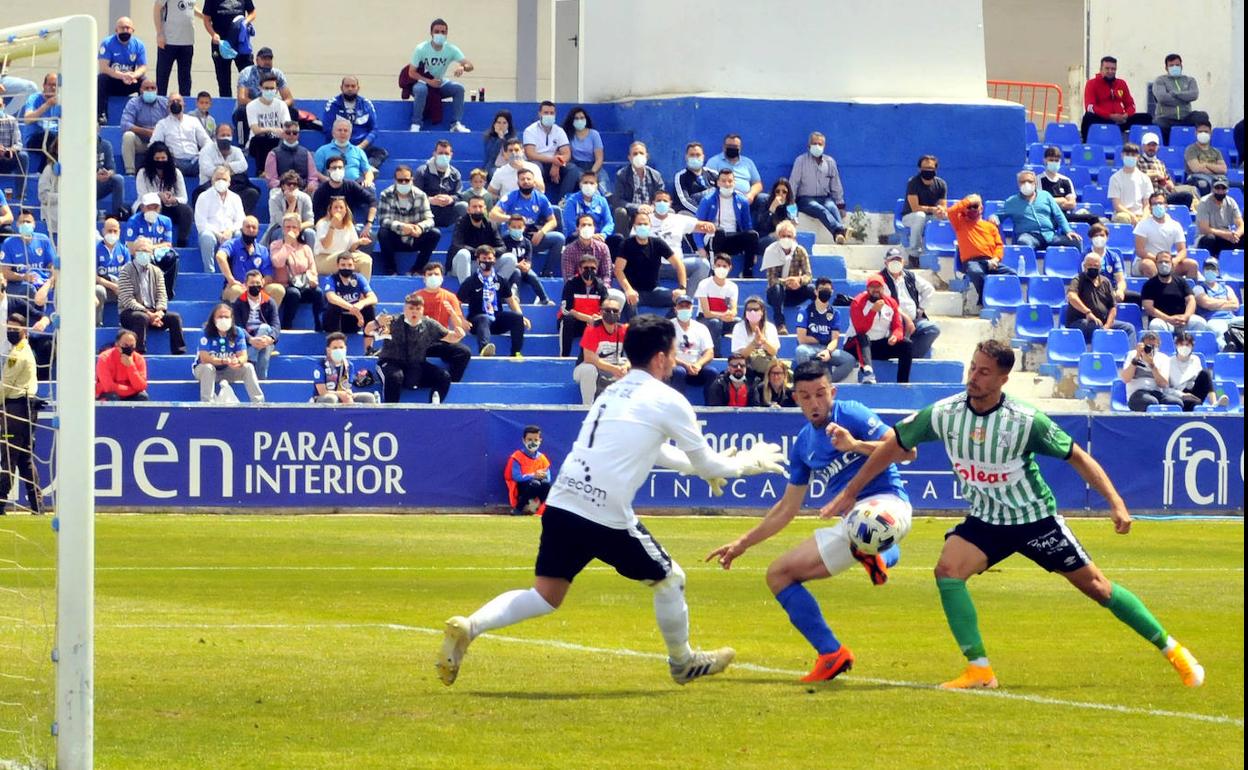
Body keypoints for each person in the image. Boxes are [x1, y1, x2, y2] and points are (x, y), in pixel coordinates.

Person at [824, 339, 1205, 691]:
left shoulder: (1026, 420)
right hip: (987, 520)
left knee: (1099, 589)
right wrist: (852, 491)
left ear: (1004, 378)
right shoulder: (943, 413)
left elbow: (1079, 457)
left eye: (984, 371)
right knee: (947, 572)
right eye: (972, 368)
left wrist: (1116, 503)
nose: (973, 377)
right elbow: (894, 445)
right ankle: (979, 670)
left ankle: (1174, 650)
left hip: (1033, 519)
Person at [436, 314, 788, 688]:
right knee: (670, 579)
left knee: (546, 594)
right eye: (672, 352)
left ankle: (471, 626)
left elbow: (656, 449)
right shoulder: (669, 400)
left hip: (563, 501)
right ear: (659, 357)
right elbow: (707, 462)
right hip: (603, 512)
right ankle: (682, 662)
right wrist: (746, 465)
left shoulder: (614, 391)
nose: (675, 360)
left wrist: (698, 468)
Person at [708, 360, 912, 679]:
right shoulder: (804, 443)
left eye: (820, 394)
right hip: (850, 524)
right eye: (805, 396)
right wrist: (742, 543)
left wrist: (855, 445)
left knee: (867, 524)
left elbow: (906, 451)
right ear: (795, 398)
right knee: (778, 575)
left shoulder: (851, 413)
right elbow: (787, 507)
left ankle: (878, 554)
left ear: (833, 391)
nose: (815, 403)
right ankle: (831, 653)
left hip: (888, 504)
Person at [378, 292, 467, 404]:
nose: (414, 311)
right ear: (404, 309)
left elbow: (450, 337)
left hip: (416, 364)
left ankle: (434, 408)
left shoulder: (429, 324)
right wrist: (377, 322)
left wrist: (458, 335)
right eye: (411, 308)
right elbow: (368, 330)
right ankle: (390, 410)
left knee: (443, 377)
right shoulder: (393, 321)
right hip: (391, 362)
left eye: (418, 308)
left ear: (422, 310)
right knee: (395, 376)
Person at [1, 314, 43, 513]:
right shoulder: (23, 350)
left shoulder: (17, 355)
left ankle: (0, 501)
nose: (10, 331)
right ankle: (37, 505)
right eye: (9, 327)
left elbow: (6, 386)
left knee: (8, 456)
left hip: (16, 409)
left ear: (24, 330)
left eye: (14, 328)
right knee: (24, 458)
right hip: (28, 407)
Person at [117, 236, 186, 355]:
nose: (143, 253)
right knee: (141, 317)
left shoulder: (157, 271)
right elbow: (128, 300)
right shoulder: (125, 270)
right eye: (140, 250)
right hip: (130, 313)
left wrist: (159, 312)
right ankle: (139, 353)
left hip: (154, 312)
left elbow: (162, 295)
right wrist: (148, 314)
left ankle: (179, 352)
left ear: (151, 253)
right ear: (134, 252)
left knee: (175, 318)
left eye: (146, 251)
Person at [490, 168, 565, 276]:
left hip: (532, 237)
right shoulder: (511, 196)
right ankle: (515, 268)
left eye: (528, 179)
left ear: (534, 182)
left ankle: (547, 272)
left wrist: (541, 232)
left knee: (559, 238)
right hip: (513, 237)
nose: (525, 181)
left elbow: (553, 221)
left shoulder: (541, 198)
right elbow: (493, 214)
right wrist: (512, 218)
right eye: (522, 179)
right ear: (518, 182)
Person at [458, 245, 529, 357]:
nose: (487, 261)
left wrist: (521, 316)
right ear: (478, 260)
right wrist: (462, 320)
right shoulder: (470, 281)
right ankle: (484, 349)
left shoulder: (501, 280)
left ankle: (516, 352)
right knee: (484, 318)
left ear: (494, 260)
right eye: (484, 259)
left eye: (490, 258)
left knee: (517, 318)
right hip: (477, 322)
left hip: (496, 320)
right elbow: (457, 302)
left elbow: (511, 300)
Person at [407, 18, 474, 133]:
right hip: (422, 82)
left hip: (439, 82)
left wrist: (462, 67)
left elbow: (470, 65)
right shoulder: (421, 49)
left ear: (447, 34)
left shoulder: (451, 49)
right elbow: (411, 72)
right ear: (431, 33)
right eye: (437, 31)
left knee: (458, 89)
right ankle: (416, 124)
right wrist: (429, 81)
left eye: (443, 32)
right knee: (420, 90)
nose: (440, 34)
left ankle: (456, 124)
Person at [845, 274, 912, 384]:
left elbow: (898, 327)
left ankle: (903, 383)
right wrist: (873, 311)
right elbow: (860, 329)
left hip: (877, 345)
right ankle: (868, 374)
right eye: (872, 287)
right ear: (867, 288)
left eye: (878, 287)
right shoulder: (857, 302)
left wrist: (895, 336)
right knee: (863, 337)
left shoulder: (891, 303)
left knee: (906, 344)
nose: (876, 290)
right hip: (856, 346)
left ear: (883, 288)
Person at [947, 194, 1012, 306]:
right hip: (971, 262)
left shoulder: (990, 227)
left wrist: (996, 259)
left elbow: (999, 246)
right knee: (976, 272)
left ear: (981, 208)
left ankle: (1003, 301)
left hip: (990, 262)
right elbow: (951, 212)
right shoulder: (960, 223)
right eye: (969, 207)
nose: (972, 209)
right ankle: (984, 298)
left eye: (975, 206)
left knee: (1011, 274)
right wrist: (968, 201)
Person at [414, 262, 473, 384]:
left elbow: (459, 326)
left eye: (436, 274)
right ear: (424, 278)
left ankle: (451, 382)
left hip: (442, 339)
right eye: (430, 274)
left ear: (442, 277)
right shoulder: (416, 297)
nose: (433, 277)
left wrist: (452, 313)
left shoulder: (450, 297)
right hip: (420, 340)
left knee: (464, 352)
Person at [694, 169, 760, 277]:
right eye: (723, 181)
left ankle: (747, 273)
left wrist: (753, 250)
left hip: (733, 238)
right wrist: (700, 247)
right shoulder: (707, 200)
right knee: (719, 231)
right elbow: (698, 225)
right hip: (714, 238)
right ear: (718, 182)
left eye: (730, 181)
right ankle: (714, 271)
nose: (727, 184)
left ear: (734, 182)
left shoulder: (742, 201)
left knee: (752, 235)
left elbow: (747, 225)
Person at [994, 169, 1080, 252]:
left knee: (1074, 241)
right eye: (1023, 182)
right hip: (1029, 235)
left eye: (1030, 181)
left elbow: (1058, 215)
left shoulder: (1046, 196)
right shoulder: (1011, 201)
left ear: (1035, 183)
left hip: (1050, 235)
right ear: (1018, 184)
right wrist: (994, 217)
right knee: (1024, 242)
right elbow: (998, 215)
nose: (1026, 184)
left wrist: (1068, 231)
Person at [376, 164, 439, 275]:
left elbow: (430, 219)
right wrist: (401, 227)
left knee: (435, 234)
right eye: (400, 180)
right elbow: (383, 219)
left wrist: (420, 227)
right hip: (395, 238)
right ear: (395, 180)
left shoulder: (421, 195)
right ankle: (391, 271)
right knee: (383, 233)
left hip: (415, 237)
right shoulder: (385, 194)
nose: (404, 183)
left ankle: (417, 269)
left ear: (412, 179)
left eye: (407, 180)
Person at [879, 247, 940, 360]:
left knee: (932, 329)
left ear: (903, 262)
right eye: (892, 260)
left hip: (914, 320)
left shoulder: (910, 276)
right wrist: (906, 319)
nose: (895, 263)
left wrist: (920, 309)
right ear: (886, 262)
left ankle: (912, 357)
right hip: (892, 321)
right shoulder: (881, 279)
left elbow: (929, 289)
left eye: (898, 260)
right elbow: (887, 303)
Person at [195, 302, 264, 403]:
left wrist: (237, 362)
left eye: (226, 317)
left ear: (232, 318)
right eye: (220, 317)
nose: (223, 319)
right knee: (208, 368)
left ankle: (259, 402)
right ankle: (207, 403)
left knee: (248, 367)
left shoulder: (238, 332)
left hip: (228, 370)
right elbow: (204, 358)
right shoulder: (206, 332)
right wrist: (223, 361)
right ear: (213, 319)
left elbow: (243, 356)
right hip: (205, 371)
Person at [1064, 252, 1137, 345]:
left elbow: (1113, 307)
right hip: (1081, 322)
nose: (1092, 267)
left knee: (1129, 328)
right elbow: (1071, 296)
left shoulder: (1106, 282)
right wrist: (1088, 312)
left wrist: (1107, 325)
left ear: (1100, 267)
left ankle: (1131, 356)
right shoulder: (1078, 279)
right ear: (1084, 266)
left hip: (1103, 322)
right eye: (1089, 265)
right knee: (1095, 325)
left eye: (1096, 265)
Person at [794, 276, 855, 383]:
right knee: (800, 351)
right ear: (816, 292)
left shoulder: (835, 313)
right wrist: (821, 339)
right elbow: (802, 339)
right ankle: (808, 382)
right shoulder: (805, 311)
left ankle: (827, 383)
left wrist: (827, 351)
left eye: (827, 290)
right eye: (821, 289)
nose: (825, 292)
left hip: (827, 348)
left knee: (849, 360)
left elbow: (835, 339)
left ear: (832, 292)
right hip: (809, 348)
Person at [269, 213, 323, 331]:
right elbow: (277, 263)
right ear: (283, 229)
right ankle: (286, 326)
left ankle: (319, 324)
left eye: (294, 227)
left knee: (318, 292)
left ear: (299, 229)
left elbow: (312, 268)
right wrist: (287, 244)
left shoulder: (305, 248)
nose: (291, 230)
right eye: (288, 227)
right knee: (294, 293)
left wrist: (312, 279)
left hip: (303, 284)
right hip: (286, 286)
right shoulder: (275, 245)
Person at [1080, 55, 1153, 141]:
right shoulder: (1091, 83)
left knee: (1146, 117)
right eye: (1107, 68)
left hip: (1121, 120)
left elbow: (1130, 104)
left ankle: (1145, 145)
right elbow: (1090, 107)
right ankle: (1085, 143)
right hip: (1103, 119)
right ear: (1101, 69)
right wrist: (1110, 116)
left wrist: (1126, 115)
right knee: (1088, 117)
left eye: (1113, 69)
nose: (1110, 71)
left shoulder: (1121, 83)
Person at [790, 132, 847, 242]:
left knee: (831, 207)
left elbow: (835, 184)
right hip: (805, 200)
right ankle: (840, 230)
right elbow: (793, 183)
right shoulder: (800, 161)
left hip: (825, 198)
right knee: (820, 209)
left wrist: (840, 205)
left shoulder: (830, 162)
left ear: (824, 146)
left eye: (820, 144)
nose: (817, 146)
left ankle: (839, 237)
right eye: (814, 143)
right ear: (809, 146)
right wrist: (791, 206)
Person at [216, 216, 284, 306]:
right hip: (236, 286)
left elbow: (269, 276)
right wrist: (231, 280)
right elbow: (220, 256)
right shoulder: (232, 244)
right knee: (237, 291)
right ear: (241, 229)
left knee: (278, 289)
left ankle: (267, 318)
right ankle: (240, 319)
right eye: (248, 227)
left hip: (257, 287)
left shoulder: (262, 250)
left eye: (254, 227)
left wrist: (256, 285)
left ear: (257, 231)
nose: (251, 230)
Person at [322, 76, 386, 172]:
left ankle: (365, 170)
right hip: (338, 146)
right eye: (347, 86)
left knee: (381, 153)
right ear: (341, 88)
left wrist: (361, 146)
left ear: (358, 88)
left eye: (353, 86)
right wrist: (344, 145)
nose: (350, 89)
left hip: (360, 146)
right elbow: (328, 129)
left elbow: (374, 129)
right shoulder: (333, 104)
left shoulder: (366, 104)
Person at [136, 141, 194, 247]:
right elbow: (142, 195)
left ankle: (182, 241)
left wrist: (173, 199)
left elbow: (183, 198)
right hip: (150, 206)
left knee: (187, 211)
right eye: (157, 159)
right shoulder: (142, 173)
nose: (160, 161)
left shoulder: (176, 173)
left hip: (170, 206)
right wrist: (158, 195)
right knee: (143, 210)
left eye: (163, 158)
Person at [572, 295, 628, 405]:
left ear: (619, 314)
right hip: (587, 368)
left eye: (615, 310)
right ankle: (587, 406)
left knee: (636, 368)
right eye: (607, 310)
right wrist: (614, 369)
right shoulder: (592, 329)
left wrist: (624, 368)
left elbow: (635, 355)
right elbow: (589, 358)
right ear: (601, 312)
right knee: (589, 369)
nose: (611, 313)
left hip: (612, 367)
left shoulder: (623, 330)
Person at [232, 47, 294, 144]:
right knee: (241, 111)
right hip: (251, 107)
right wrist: (261, 106)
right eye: (264, 59)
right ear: (257, 60)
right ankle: (242, 144)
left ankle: (289, 142)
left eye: (269, 59)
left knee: (292, 110)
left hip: (271, 109)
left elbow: (289, 99)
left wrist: (279, 106)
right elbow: (242, 98)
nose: (267, 61)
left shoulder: (277, 74)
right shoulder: (247, 73)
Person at [761, 220, 812, 334]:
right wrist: (788, 282)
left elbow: (808, 275)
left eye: (789, 236)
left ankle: (817, 321)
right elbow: (771, 279)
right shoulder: (771, 251)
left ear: (794, 238)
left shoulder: (800, 251)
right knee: (777, 288)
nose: (786, 238)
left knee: (813, 290)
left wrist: (799, 280)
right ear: (778, 237)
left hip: (795, 292)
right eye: (783, 236)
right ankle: (780, 325)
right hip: (776, 294)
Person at [125, 193, 180, 297]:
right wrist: (145, 249)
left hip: (157, 254)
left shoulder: (166, 221)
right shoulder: (134, 221)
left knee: (173, 257)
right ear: (142, 207)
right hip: (140, 254)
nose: (152, 210)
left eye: (155, 207)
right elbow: (131, 247)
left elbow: (168, 244)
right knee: (144, 256)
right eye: (149, 207)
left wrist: (151, 248)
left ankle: (167, 292)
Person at [199, 123, 260, 213]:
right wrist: (229, 171)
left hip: (233, 188)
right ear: (216, 136)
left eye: (228, 135)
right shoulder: (206, 151)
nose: (226, 138)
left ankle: (241, 221)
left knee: (252, 193)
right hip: (211, 188)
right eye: (223, 135)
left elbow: (244, 165)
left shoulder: (237, 151)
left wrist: (226, 167)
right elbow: (207, 170)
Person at [1141, 251, 1208, 333]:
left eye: (1166, 262)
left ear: (1172, 265)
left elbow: (1191, 300)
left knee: (1199, 322)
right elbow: (1149, 308)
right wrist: (1168, 319)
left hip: (1182, 320)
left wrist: (1186, 317)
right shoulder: (1149, 285)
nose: (1163, 264)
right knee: (1155, 325)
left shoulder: (1181, 281)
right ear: (1156, 265)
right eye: (1160, 262)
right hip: (1162, 321)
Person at [97, 17, 148, 123]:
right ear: (116, 30)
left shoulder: (139, 45)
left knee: (144, 81)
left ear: (132, 30)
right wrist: (122, 76)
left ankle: (144, 115)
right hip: (113, 82)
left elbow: (143, 67)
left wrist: (133, 75)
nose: (125, 30)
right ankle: (101, 114)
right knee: (101, 78)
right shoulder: (107, 43)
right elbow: (103, 67)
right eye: (122, 28)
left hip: (129, 82)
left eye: (127, 28)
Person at [201, 0, 257, 98]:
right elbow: (206, 19)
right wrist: (213, 34)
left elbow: (252, 12)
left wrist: (245, 22)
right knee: (223, 81)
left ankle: (250, 104)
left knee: (249, 77)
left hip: (240, 42)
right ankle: (227, 106)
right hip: (221, 44)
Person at [230, 270, 280, 379]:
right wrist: (251, 340)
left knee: (265, 329)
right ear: (246, 285)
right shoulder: (239, 303)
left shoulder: (269, 302)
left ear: (262, 283)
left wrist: (271, 338)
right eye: (252, 284)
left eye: (258, 283)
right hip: (246, 340)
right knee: (264, 349)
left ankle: (249, 356)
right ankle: (262, 382)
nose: (255, 286)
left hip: (265, 338)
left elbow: (276, 324)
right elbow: (237, 326)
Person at [195, 165, 245, 271]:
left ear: (229, 182)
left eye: (224, 179)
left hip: (230, 232)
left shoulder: (235, 198)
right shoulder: (203, 197)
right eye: (218, 179)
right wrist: (218, 234)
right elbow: (201, 222)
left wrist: (230, 231)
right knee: (206, 237)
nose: (221, 181)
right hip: (211, 232)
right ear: (212, 180)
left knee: (239, 235)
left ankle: (236, 270)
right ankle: (209, 271)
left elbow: (241, 220)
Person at [900, 155, 948, 263]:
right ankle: (914, 254)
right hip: (910, 216)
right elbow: (915, 207)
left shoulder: (941, 184)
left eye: (931, 168)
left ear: (935, 169)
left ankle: (940, 250)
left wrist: (940, 210)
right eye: (925, 168)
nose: (928, 171)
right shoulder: (913, 183)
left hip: (930, 216)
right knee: (920, 216)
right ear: (920, 169)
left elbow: (943, 205)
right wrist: (933, 209)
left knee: (946, 216)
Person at [151, 93, 209, 180]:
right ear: (168, 106)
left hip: (195, 161)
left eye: (178, 101)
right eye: (172, 101)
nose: (175, 103)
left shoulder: (193, 121)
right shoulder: (162, 124)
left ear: (184, 104)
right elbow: (154, 145)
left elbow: (206, 141)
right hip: (174, 162)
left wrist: (201, 155)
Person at [560, 252, 609, 357]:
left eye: (593, 268)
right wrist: (588, 318)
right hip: (575, 322)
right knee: (568, 320)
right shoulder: (571, 284)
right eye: (586, 268)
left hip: (593, 323)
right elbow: (566, 309)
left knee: (607, 321)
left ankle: (603, 358)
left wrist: (598, 318)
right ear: (580, 269)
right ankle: (564, 356)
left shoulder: (601, 287)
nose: (590, 271)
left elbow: (606, 307)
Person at [1151, 54, 1208, 144]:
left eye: (1177, 65)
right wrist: (1184, 99)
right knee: (1158, 123)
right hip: (1167, 119)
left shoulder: (1190, 80)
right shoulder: (1160, 80)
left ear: (1181, 66)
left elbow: (1194, 95)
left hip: (1185, 118)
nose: (1175, 67)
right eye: (1171, 65)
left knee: (1202, 116)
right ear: (1166, 68)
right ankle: (1166, 147)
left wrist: (1175, 93)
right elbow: (1162, 98)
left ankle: (1200, 145)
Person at [1038, 146, 1100, 226]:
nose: (1054, 162)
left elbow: (1072, 204)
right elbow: (1042, 202)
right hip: (1047, 216)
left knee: (1093, 218)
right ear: (1045, 160)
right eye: (1051, 160)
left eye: (1056, 160)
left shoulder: (1066, 180)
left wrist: (1054, 202)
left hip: (1064, 216)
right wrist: (1062, 199)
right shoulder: (1038, 180)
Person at [705, 134, 765, 217]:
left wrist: (751, 195)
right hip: (723, 199)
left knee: (765, 199)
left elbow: (758, 184)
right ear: (723, 147)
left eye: (735, 146)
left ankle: (760, 229)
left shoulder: (748, 162)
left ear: (740, 148)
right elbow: (708, 184)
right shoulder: (714, 162)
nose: (732, 148)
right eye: (729, 146)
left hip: (746, 200)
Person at [0, 210, 55, 300]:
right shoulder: (9, 243)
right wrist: (24, 277)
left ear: (34, 225)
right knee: (30, 290)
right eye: (22, 222)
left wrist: (49, 281)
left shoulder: (43, 240)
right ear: (17, 225)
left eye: (28, 222)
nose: (25, 224)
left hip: (42, 281)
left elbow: (52, 265)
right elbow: (4, 272)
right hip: (19, 284)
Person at [1133, 192, 1190, 278]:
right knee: (1148, 265)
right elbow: (1140, 250)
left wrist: (1175, 260)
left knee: (1191, 265)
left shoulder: (1175, 225)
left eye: (1160, 203)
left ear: (1166, 205)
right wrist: (1158, 260)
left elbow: (1182, 250)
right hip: (1146, 261)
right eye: (1154, 204)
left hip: (1168, 261)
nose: (1158, 206)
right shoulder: (1142, 225)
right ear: (1150, 207)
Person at [312, 155, 378, 229]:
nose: (337, 170)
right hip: (327, 226)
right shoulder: (321, 190)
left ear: (344, 169)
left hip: (349, 225)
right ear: (328, 171)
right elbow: (316, 216)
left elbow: (373, 201)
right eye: (334, 168)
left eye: (340, 167)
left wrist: (369, 223)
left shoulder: (351, 185)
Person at [1121, 330, 1182, 411]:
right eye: (1148, 346)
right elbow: (1125, 379)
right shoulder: (1132, 354)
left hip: (1156, 393)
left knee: (1176, 403)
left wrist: (1152, 364)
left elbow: (1163, 384)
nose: (1151, 349)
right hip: (1136, 394)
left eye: (1154, 346)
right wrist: (1136, 358)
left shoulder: (1163, 358)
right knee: (1151, 402)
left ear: (1158, 346)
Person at [414, 140, 467, 231]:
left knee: (464, 206)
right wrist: (430, 200)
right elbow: (414, 195)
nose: (443, 156)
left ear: (451, 155)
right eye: (440, 153)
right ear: (434, 154)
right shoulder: (422, 171)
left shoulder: (455, 173)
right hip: (427, 211)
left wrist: (450, 199)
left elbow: (459, 196)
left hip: (447, 211)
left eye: (446, 153)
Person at [670, 295, 717, 398]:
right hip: (676, 368)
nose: (684, 309)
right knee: (679, 371)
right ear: (675, 309)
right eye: (681, 306)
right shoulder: (668, 326)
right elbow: (666, 353)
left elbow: (709, 352)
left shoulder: (701, 328)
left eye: (687, 306)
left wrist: (698, 365)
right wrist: (685, 365)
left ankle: (712, 406)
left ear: (692, 309)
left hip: (696, 368)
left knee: (712, 372)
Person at [312, 332, 379, 405]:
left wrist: (348, 394)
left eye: (341, 347)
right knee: (331, 398)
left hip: (342, 395)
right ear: (328, 350)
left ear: (345, 349)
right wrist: (340, 394)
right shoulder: (321, 365)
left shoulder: (348, 366)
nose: (338, 350)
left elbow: (347, 387)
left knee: (368, 397)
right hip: (323, 398)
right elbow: (322, 392)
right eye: (335, 348)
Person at [450, 196, 506, 282]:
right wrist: (479, 252)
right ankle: (466, 290)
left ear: (485, 209)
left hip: (485, 263)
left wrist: (488, 253)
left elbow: (502, 247)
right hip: (464, 264)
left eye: (480, 207)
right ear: (468, 210)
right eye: (474, 207)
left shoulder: (490, 225)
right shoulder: (461, 223)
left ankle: (493, 285)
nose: (478, 209)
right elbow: (457, 245)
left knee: (510, 258)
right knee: (463, 253)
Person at [613, 141, 665, 233]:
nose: (638, 156)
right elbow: (618, 201)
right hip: (631, 214)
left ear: (647, 156)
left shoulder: (656, 176)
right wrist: (638, 207)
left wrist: (653, 207)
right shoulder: (621, 175)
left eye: (641, 153)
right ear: (629, 158)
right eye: (635, 154)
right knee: (620, 212)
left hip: (651, 213)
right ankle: (622, 244)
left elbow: (662, 197)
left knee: (669, 210)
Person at [1167, 330, 1227, 410]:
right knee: (1195, 404)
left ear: (1192, 346)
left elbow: (1203, 380)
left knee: (1205, 373)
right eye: (1181, 344)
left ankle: (1214, 403)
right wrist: (1182, 395)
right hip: (1178, 395)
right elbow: (1166, 388)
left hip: (1194, 392)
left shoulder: (1196, 359)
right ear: (1176, 345)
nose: (1184, 347)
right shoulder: (1169, 362)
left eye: (1187, 345)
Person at [321, 252, 377, 335]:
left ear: (353, 266)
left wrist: (361, 304)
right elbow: (331, 297)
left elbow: (373, 298)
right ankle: (336, 341)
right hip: (333, 321)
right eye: (343, 265)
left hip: (352, 320)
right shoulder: (330, 279)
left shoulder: (359, 278)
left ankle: (369, 342)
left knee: (369, 307)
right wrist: (353, 309)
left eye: (349, 265)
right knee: (334, 305)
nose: (346, 268)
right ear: (337, 266)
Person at [694, 253, 739, 356]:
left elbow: (734, 309)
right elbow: (706, 313)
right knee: (715, 322)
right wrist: (721, 316)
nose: (721, 268)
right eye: (718, 265)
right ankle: (715, 355)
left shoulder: (733, 287)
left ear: (730, 268)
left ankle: (738, 356)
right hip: (706, 320)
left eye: (724, 266)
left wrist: (730, 314)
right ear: (714, 266)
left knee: (739, 323)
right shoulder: (704, 284)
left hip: (723, 320)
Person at [1137, 133, 1198, 209]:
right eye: (1149, 145)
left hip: (1163, 196)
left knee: (1187, 196)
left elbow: (1167, 180)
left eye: (1154, 145)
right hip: (1147, 197)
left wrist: (1169, 184)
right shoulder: (1138, 161)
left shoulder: (1160, 163)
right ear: (1143, 146)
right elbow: (1137, 177)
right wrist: (1155, 175)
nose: (1151, 148)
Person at [315, 197, 371, 278]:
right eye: (335, 207)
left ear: (345, 210)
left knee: (366, 261)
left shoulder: (349, 225)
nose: (338, 210)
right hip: (323, 259)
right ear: (330, 210)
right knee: (343, 255)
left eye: (341, 207)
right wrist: (332, 226)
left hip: (343, 257)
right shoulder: (322, 224)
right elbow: (326, 245)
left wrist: (359, 242)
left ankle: (364, 289)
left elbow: (351, 249)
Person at [245, 72, 291, 171]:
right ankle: (261, 171)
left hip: (275, 140)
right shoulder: (252, 106)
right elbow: (256, 130)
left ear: (276, 89)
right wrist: (272, 129)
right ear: (260, 88)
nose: (269, 91)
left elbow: (288, 125)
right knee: (261, 139)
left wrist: (282, 132)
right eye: (266, 88)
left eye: (272, 88)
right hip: (256, 142)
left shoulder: (281, 105)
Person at [522, 101, 571, 194]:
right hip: (537, 162)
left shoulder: (559, 131)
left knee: (572, 170)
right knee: (535, 167)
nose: (549, 115)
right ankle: (536, 200)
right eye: (546, 113)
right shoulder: (530, 131)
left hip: (556, 163)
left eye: (552, 113)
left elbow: (567, 153)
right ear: (539, 114)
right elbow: (530, 154)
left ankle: (563, 201)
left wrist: (556, 164)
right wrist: (553, 160)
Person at [120, 79, 167, 175]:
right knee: (128, 136)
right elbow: (125, 124)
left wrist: (158, 132)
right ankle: (130, 172)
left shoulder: (164, 103)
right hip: (141, 143)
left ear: (157, 90)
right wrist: (147, 132)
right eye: (147, 88)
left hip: (160, 143)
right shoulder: (133, 103)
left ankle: (171, 171)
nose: (150, 91)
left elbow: (173, 121)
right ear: (141, 90)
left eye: (153, 88)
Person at [562, 171, 616, 250]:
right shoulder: (572, 201)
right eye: (585, 182)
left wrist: (603, 234)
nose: (588, 185)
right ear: (580, 185)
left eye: (591, 183)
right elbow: (570, 224)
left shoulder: (602, 201)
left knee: (617, 239)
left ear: (596, 186)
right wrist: (590, 235)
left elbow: (609, 223)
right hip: (578, 236)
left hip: (599, 237)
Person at [1084, 222, 1136, 304]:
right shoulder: (1085, 255)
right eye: (1095, 236)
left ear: (1107, 237)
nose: (1099, 238)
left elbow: (1120, 280)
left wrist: (1120, 291)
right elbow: (1083, 277)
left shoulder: (1113, 256)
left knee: (1137, 298)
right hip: (1091, 290)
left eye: (1102, 235)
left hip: (1111, 290)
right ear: (1091, 238)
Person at [505, 425, 551, 516]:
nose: (533, 443)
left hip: (539, 487)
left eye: (536, 440)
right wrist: (533, 475)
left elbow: (548, 478)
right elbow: (516, 477)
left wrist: (542, 476)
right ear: (524, 440)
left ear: (540, 441)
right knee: (535, 484)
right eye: (529, 440)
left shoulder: (542, 458)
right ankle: (518, 509)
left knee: (546, 483)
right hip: (524, 487)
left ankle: (541, 509)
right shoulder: (517, 456)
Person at [153, 0, 195, 96]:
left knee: (185, 79)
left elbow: (190, 8)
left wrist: (204, 16)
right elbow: (156, 8)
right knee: (162, 78)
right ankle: (160, 104)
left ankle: (184, 106)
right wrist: (159, 33)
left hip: (187, 42)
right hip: (169, 41)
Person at [731, 296, 780, 378]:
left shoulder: (770, 327)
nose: (752, 312)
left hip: (766, 363)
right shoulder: (739, 327)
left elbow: (774, 351)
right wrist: (754, 343)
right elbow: (740, 355)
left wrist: (763, 341)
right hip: (747, 365)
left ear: (762, 311)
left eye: (756, 309)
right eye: (749, 309)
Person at [263, 121, 318, 194]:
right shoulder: (273, 154)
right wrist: (286, 188)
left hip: (304, 190)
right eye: (288, 132)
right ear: (283, 134)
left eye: (295, 133)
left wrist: (311, 185)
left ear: (298, 135)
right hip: (281, 190)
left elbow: (313, 177)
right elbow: (271, 180)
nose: (291, 135)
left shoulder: (306, 153)